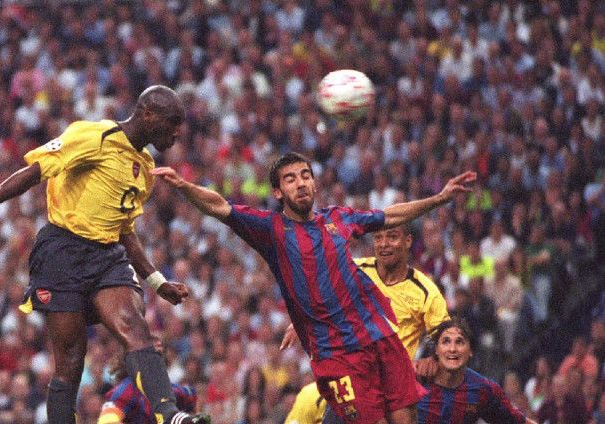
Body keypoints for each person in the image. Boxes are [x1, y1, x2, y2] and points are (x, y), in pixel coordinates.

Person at [152, 152, 476, 423]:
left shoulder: (338, 218)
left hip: (378, 336)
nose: (301, 182)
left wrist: (439, 199)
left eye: (305, 175)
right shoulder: (270, 229)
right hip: (334, 352)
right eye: (290, 178)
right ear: (278, 192)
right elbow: (219, 206)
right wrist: (182, 185)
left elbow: (388, 216)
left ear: (314, 182)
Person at [0, 85, 209, 424]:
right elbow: (37, 169)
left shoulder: (144, 169)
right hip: (63, 250)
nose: (178, 132)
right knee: (71, 360)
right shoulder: (94, 136)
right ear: (148, 114)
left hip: (107, 255)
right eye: (173, 122)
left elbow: (124, 230)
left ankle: (169, 415)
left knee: (135, 328)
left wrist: (157, 281)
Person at [282, 224, 450, 423]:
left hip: (393, 392)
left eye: (392, 237)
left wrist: (432, 359)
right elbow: (322, 295)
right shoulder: (355, 270)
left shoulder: (425, 291)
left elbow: (445, 336)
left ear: (408, 241)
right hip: (351, 379)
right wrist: (301, 320)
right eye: (378, 238)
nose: (384, 244)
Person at [417, 319, 536, 424]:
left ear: (470, 351)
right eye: (446, 342)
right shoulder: (416, 377)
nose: (452, 349)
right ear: (436, 350)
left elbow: (517, 421)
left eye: (459, 342)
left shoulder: (482, 389)